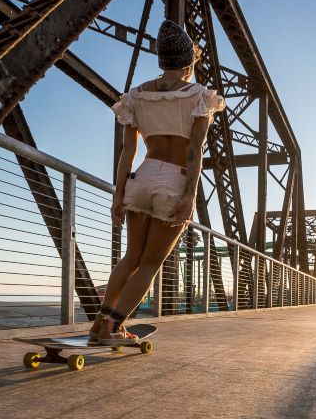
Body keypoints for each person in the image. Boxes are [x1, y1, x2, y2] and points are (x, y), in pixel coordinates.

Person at [88, 20, 225, 344]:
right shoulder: (199, 96)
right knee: (151, 262)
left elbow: (128, 152)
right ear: (188, 61)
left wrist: (118, 195)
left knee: (131, 257)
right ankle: (115, 327)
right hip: (173, 180)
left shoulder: (136, 97)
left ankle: (100, 323)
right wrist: (189, 195)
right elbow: (194, 150)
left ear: (162, 60)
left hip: (143, 176)